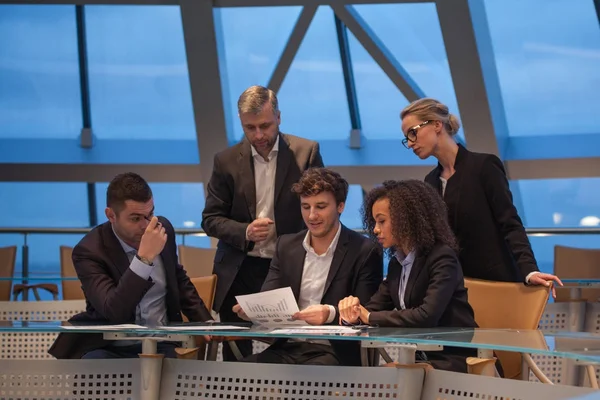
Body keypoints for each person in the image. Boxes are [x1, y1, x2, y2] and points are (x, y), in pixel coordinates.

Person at [202, 85, 324, 360]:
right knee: (237, 357)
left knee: (291, 350)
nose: (258, 135)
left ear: (279, 117)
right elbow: (210, 219)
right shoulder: (226, 161)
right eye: (250, 128)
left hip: (288, 267)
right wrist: (244, 230)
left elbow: (321, 210)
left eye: (265, 126)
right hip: (240, 269)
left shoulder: (306, 153)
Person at [400, 98, 562, 293]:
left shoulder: (484, 166)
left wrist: (529, 270)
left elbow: (510, 223)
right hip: (455, 291)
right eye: (407, 138)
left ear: (436, 124)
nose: (410, 144)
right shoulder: (430, 182)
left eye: (413, 132)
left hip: (496, 286)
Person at [49, 172, 212, 359]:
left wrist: (204, 320)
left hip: (162, 343)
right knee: (94, 369)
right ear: (111, 215)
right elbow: (114, 311)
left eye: (150, 214)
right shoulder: (89, 251)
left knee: (183, 376)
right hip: (110, 345)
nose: (146, 226)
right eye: (135, 219)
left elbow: (177, 277)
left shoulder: (161, 229)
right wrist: (144, 259)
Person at [233, 168, 383, 366]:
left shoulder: (364, 250)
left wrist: (329, 314)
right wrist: (254, 310)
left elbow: (366, 311)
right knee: (239, 375)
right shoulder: (286, 246)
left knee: (306, 381)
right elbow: (269, 295)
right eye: (306, 207)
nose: (312, 216)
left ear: (340, 206)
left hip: (334, 351)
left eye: (320, 206)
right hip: (287, 348)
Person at [338, 180, 477, 373]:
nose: (376, 229)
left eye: (382, 221)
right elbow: (372, 308)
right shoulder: (397, 263)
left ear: (406, 218)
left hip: (455, 360)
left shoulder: (442, 257)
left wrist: (368, 316)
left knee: (377, 383)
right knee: (370, 381)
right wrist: (353, 314)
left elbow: (426, 316)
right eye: (375, 222)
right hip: (420, 358)